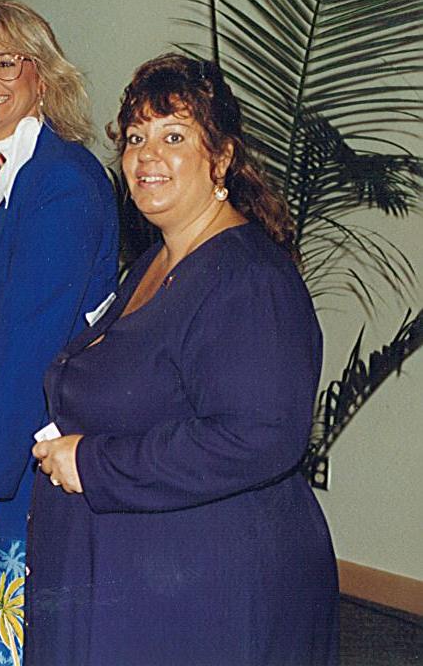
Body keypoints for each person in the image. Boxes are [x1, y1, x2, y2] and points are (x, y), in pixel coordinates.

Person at [28, 54, 339, 665]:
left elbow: (261, 436)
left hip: (211, 593)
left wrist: (95, 462)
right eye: (136, 138)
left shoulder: (248, 277)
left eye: (174, 137)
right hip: (147, 576)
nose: (148, 156)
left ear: (220, 158)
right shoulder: (155, 262)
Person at [0, 0, 118, 666]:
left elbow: (24, 353)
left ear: (41, 76)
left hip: (21, 472)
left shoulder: (61, 183)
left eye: (5, 61)